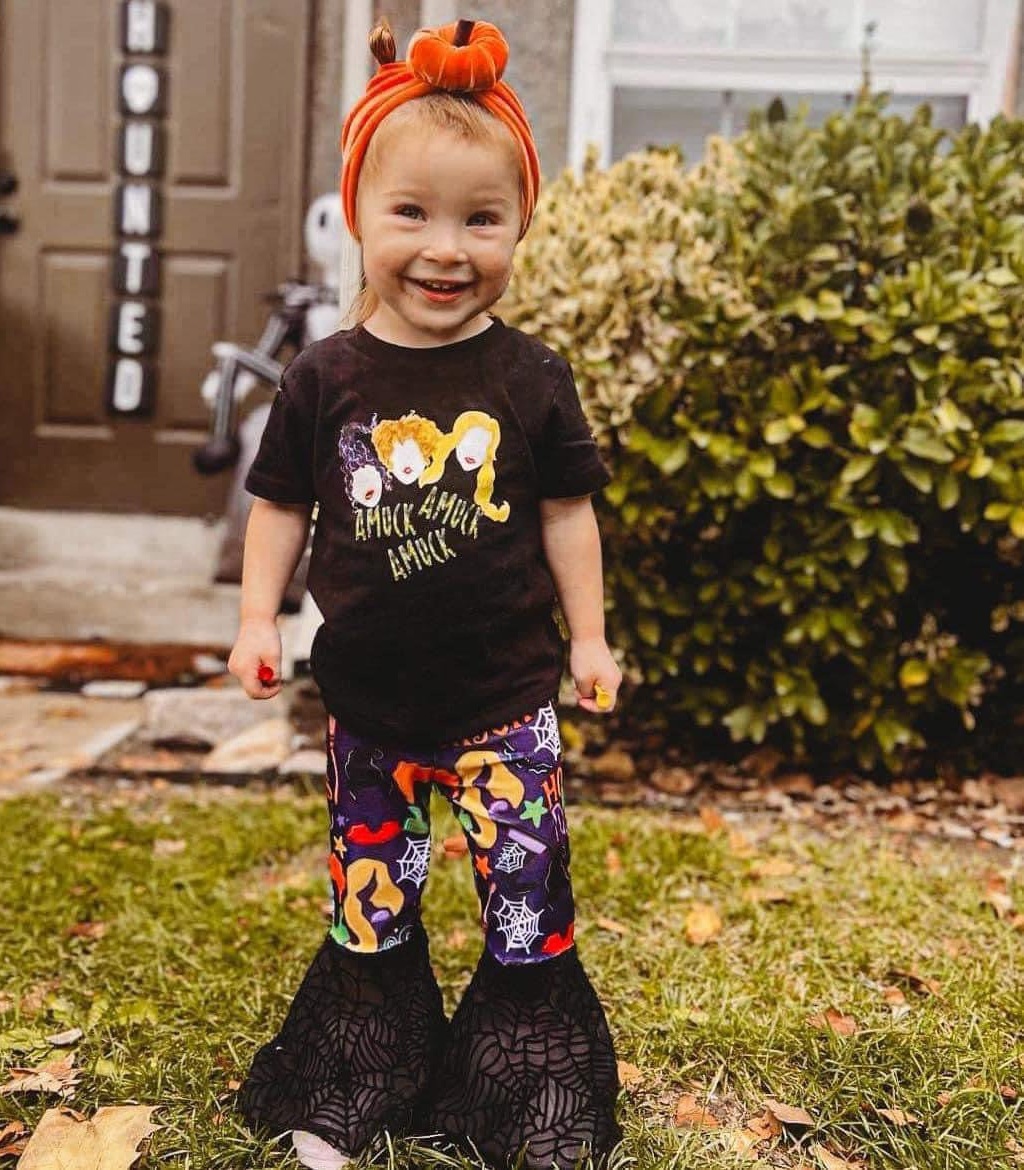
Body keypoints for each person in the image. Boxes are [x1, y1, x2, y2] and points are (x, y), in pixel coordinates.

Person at [230, 15, 623, 1170]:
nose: (446, 249)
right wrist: (257, 619)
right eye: (412, 212)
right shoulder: (324, 378)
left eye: (481, 219)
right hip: (371, 711)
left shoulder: (532, 377)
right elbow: (279, 508)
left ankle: (527, 1099)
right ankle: (357, 1079)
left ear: (520, 224)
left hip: (506, 705)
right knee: (373, 906)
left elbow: (567, 515)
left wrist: (590, 640)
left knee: (525, 906)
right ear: (356, 212)